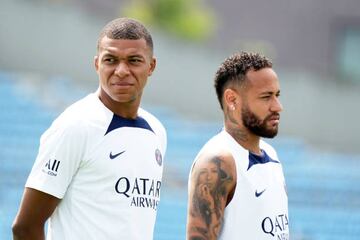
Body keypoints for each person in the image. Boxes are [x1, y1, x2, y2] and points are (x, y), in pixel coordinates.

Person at [12, 17, 167, 240]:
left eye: (134, 60)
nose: (121, 70)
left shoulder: (157, 131)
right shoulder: (76, 126)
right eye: (111, 60)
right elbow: (25, 227)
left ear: (151, 66)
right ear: (97, 64)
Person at [186, 52, 289, 240]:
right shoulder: (218, 161)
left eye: (277, 95)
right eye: (266, 97)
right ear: (232, 99)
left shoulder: (271, 154)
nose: (277, 106)